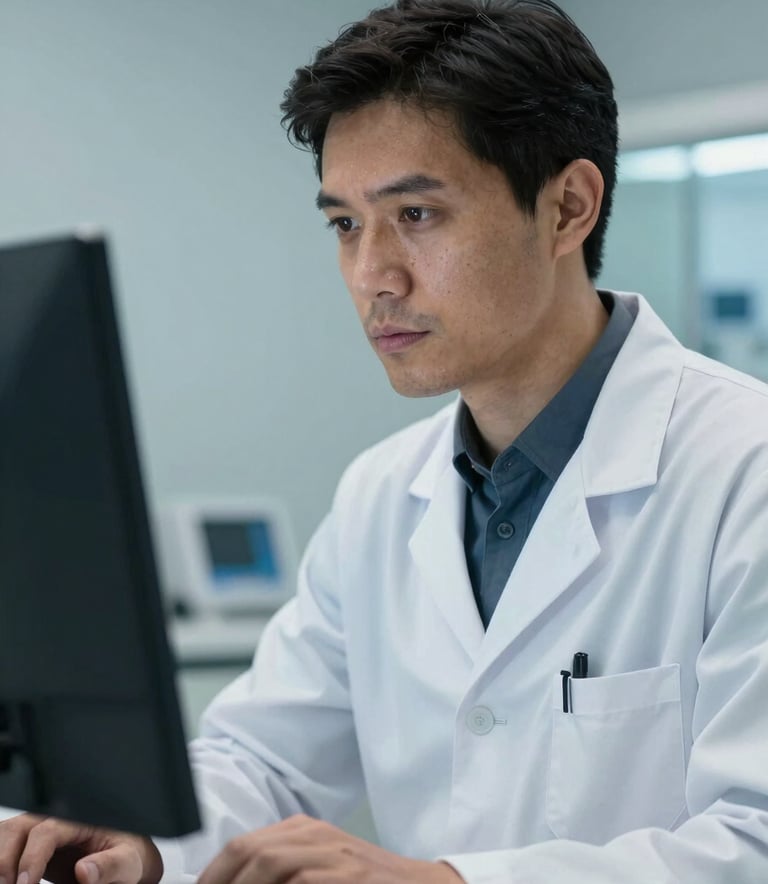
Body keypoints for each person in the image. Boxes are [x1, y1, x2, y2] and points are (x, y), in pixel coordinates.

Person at [3, 0, 768, 881]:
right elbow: (266, 760)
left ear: (567, 208)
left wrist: (447, 883)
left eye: (417, 215)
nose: (373, 276)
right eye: (344, 224)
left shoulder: (740, 473)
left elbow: (751, 837)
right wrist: (135, 839)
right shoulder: (380, 495)